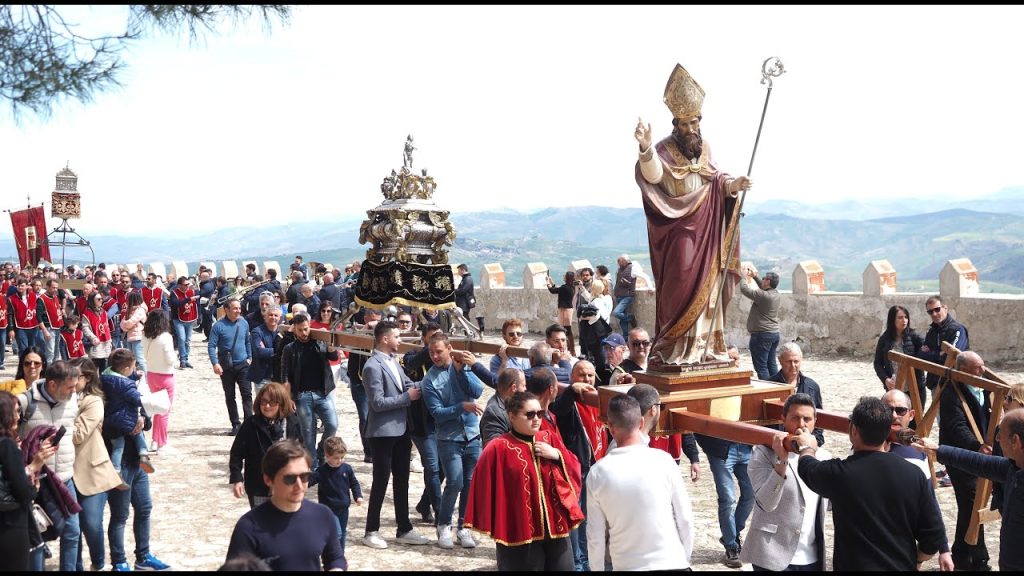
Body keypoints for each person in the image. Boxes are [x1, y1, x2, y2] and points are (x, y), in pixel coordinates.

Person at [633, 63, 752, 367]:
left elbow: (715, 179)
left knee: (710, 287)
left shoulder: (705, 147)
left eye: (694, 123)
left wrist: (733, 185)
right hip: (680, 230)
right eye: (684, 124)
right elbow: (655, 175)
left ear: (700, 121)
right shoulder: (663, 149)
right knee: (680, 283)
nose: (690, 129)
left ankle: (705, 348)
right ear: (675, 124)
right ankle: (675, 348)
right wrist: (645, 149)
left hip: (709, 230)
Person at [794, 396, 944, 571]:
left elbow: (807, 468)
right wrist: (916, 561)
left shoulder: (840, 474)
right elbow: (933, 537)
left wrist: (807, 446)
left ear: (854, 430)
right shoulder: (914, 474)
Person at [465, 391, 583, 571]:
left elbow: (574, 465)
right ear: (512, 416)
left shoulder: (549, 438)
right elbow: (482, 486)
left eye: (540, 414)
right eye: (529, 414)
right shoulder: (498, 447)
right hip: (519, 532)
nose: (536, 419)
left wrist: (557, 455)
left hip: (556, 528)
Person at [586, 394, 694, 571]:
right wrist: (684, 558)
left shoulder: (598, 472)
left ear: (610, 427)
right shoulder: (664, 461)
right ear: (642, 423)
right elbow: (685, 519)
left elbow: (595, 535)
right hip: (672, 562)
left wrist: (597, 568)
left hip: (628, 565)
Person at [913, 408, 1024, 572]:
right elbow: (979, 462)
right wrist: (937, 450)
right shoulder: (1013, 467)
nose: (998, 439)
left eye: (1001, 434)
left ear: (1015, 440)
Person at [360, 320, 430, 549]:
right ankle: (371, 530)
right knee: (381, 481)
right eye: (397, 336)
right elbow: (377, 403)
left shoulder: (394, 362)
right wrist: (406, 398)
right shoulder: (372, 366)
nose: (400, 340)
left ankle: (404, 527)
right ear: (385, 339)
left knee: (403, 480)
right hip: (382, 433)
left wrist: (438, 376)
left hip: (402, 430)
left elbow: (410, 384)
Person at [741, 393, 831, 571]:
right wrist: (781, 462)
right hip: (771, 555)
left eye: (807, 419)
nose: (801, 425)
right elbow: (766, 502)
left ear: (815, 421)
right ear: (783, 419)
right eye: (795, 418)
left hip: (811, 556)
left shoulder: (824, 457)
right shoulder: (763, 453)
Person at [226, 439, 345, 571]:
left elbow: (335, 558)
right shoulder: (248, 527)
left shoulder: (322, 515)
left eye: (305, 477)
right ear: (268, 479)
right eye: (290, 478)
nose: (299, 486)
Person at [421, 332, 485, 550]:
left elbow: (478, 390)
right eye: (431, 352)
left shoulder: (462, 366)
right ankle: (444, 524)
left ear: (449, 348)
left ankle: (464, 526)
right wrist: (461, 407)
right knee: (455, 481)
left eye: (439, 351)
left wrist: (462, 372)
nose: (435, 356)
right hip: (449, 438)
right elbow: (437, 413)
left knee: (470, 483)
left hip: (472, 434)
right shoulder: (429, 380)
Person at [17, 360, 82, 572]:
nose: (74, 391)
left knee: (72, 531)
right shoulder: (25, 402)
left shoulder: (72, 401)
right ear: (52, 385)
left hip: (64, 478)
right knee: (38, 534)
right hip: (37, 481)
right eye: (70, 387)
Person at [882, 389, 955, 571]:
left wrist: (944, 548)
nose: (893, 415)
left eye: (900, 410)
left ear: (911, 414)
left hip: (904, 544)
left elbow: (930, 501)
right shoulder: (863, 445)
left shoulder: (917, 453)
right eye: (887, 409)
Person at [68, 357, 124, 571]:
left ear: (88, 377)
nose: (70, 380)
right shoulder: (63, 398)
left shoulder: (93, 401)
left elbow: (79, 435)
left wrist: (59, 424)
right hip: (65, 471)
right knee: (72, 530)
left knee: (91, 524)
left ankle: (98, 563)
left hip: (92, 470)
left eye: (75, 376)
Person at [939, 350, 992, 570]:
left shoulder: (983, 388)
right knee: (972, 502)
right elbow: (956, 426)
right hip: (959, 456)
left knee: (967, 506)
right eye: (977, 368)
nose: (982, 371)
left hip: (979, 456)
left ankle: (960, 554)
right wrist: (976, 446)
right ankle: (980, 558)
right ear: (963, 371)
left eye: (982, 365)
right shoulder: (951, 393)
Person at [0, 390, 54, 571]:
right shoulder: (6, 446)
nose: (18, 416)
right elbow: (23, 492)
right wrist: (33, 482)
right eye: (15, 411)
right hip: (10, 525)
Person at [229, 383, 301, 509]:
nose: (267, 406)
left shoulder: (292, 422)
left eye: (272, 403)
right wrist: (237, 479)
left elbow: (301, 450)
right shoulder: (250, 424)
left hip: (287, 485)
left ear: (281, 404)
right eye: (264, 402)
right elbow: (236, 453)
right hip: (259, 486)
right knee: (262, 525)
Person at [281, 312, 340, 466]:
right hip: (302, 395)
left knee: (332, 425)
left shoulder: (319, 342)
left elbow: (333, 358)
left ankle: (321, 451)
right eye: (300, 330)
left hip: (323, 393)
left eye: (306, 329)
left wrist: (331, 347)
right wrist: (288, 398)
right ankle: (313, 466)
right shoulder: (290, 349)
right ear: (294, 330)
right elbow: (285, 375)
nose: (304, 333)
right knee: (308, 433)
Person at [100, 349, 154, 478]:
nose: (134, 369)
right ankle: (143, 454)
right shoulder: (127, 385)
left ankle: (116, 470)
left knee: (118, 446)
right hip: (124, 420)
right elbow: (136, 399)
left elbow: (119, 378)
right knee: (138, 431)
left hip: (110, 421)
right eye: (133, 367)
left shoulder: (105, 377)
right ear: (126, 368)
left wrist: (134, 376)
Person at [309, 436, 363, 558]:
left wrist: (357, 496)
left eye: (342, 457)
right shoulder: (322, 471)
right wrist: (300, 484)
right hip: (328, 509)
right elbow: (311, 480)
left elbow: (354, 483)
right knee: (336, 533)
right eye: (336, 458)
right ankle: (331, 555)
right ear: (327, 456)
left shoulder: (347, 469)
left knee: (343, 533)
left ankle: (339, 556)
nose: (340, 460)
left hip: (344, 508)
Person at [767, 342, 826, 446]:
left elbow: (819, 420)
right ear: (780, 361)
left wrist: (814, 441)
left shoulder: (812, 387)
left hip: (806, 443)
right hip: (778, 444)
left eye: (796, 361)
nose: (793, 365)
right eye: (789, 361)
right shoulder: (769, 387)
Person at [209, 298, 253, 436]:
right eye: (234, 308)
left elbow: (247, 341)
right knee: (230, 396)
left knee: (247, 394)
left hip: (243, 364)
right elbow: (211, 346)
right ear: (226, 309)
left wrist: (250, 357)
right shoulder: (218, 326)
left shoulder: (244, 323)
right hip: (226, 366)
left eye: (239, 308)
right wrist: (215, 363)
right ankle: (235, 424)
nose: (238, 311)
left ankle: (248, 423)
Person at [874, 304, 926, 406]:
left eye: (906, 317)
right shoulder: (885, 339)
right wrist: (885, 379)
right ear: (892, 320)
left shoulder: (915, 336)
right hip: (894, 388)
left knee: (916, 420)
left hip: (915, 388)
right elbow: (878, 363)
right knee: (897, 418)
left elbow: (925, 353)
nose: (904, 320)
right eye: (900, 317)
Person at [142, 310, 176, 452]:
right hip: (165, 376)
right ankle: (161, 442)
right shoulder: (166, 337)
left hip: (151, 374)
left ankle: (155, 440)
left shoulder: (145, 335)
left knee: (156, 408)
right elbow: (170, 359)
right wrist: (176, 356)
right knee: (164, 410)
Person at [918, 295, 969, 390]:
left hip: (953, 383)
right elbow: (922, 355)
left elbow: (954, 355)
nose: (934, 314)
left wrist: (932, 353)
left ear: (945, 308)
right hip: (934, 382)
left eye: (937, 309)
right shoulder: (931, 331)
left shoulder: (958, 329)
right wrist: (940, 353)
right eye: (930, 312)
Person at [740, 267, 781, 380]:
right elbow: (763, 288)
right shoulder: (775, 293)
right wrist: (755, 277)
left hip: (761, 336)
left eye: (764, 279)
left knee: (761, 367)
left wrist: (743, 276)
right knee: (771, 363)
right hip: (773, 334)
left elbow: (745, 290)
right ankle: (778, 388)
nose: (762, 280)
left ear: (768, 281)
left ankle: (767, 390)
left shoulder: (763, 296)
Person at [480, 368, 526, 446]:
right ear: (514, 387)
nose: (525, 389)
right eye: (523, 385)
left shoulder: (512, 405)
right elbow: (493, 447)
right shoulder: (494, 413)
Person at [169, 276, 201, 369]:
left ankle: (186, 359)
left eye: (188, 284)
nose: (187, 286)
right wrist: (189, 299)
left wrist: (199, 316)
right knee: (182, 339)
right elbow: (175, 304)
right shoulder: (174, 293)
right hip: (178, 319)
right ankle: (182, 360)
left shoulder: (192, 292)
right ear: (179, 285)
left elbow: (196, 305)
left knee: (187, 340)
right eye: (185, 284)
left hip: (189, 319)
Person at [546, 270, 577, 354]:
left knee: (566, 329)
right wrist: (552, 282)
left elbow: (553, 291)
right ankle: (571, 349)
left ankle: (571, 349)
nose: (563, 276)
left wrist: (548, 283)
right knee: (567, 329)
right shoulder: (570, 286)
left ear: (567, 277)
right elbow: (558, 289)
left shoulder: (565, 287)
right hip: (567, 309)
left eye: (565, 275)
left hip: (565, 310)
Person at [81, 291, 113, 372]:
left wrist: (109, 338)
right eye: (98, 299)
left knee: (105, 367)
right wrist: (93, 337)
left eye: (101, 299)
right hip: (96, 342)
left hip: (106, 341)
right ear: (92, 300)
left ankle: (103, 383)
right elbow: (85, 328)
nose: (101, 300)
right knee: (94, 368)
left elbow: (106, 325)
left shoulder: (104, 312)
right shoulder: (87, 313)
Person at [120, 292, 149, 374]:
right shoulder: (129, 311)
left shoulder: (140, 310)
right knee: (131, 360)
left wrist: (127, 326)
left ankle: (147, 378)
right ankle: (136, 376)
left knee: (140, 359)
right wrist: (127, 326)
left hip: (138, 337)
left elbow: (129, 323)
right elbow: (122, 324)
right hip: (130, 336)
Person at [611, 255, 637, 338]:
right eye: (619, 262)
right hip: (619, 295)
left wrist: (650, 287)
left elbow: (643, 276)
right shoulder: (619, 270)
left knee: (616, 313)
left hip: (627, 295)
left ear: (626, 261)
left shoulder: (632, 268)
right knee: (622, 320)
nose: (619, 264)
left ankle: (630, 318)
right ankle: (626, 337)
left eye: (621, 262)